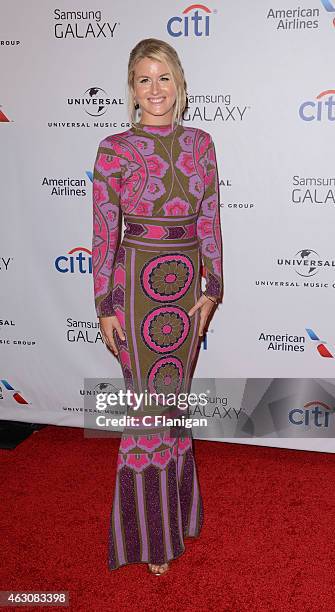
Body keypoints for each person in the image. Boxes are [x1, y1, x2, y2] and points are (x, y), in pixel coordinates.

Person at [91, 38, 224, 575]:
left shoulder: (202, 143)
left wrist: (212, 285)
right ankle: (150, 537)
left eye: (163, 77)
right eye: (144, 79)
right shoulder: (114, 149)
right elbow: (103, 233)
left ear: (179, 82)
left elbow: (211, 217)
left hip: (187, 285)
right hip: (137, 287)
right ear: (132, 89)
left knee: (174, 403)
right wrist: (106, 302)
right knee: (148, 407)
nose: (155, 89)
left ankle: (181, 513)